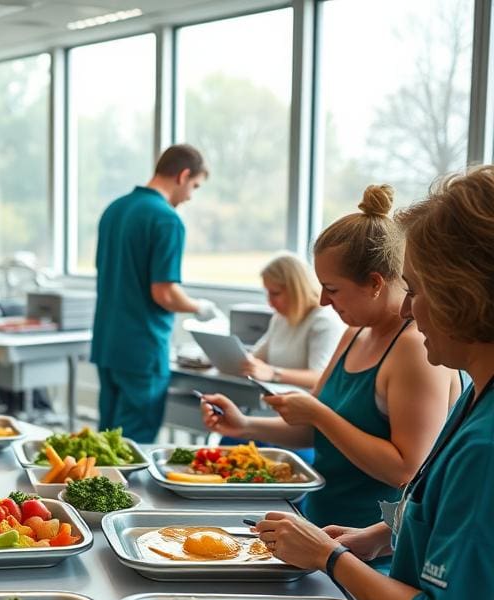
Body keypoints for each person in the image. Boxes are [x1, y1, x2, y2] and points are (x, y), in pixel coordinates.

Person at [254, 166, 494, 600]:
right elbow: (437, 503)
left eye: (419, 289)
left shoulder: (486, 446)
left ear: (467, 295)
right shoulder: (474, 396)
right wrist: (381, 534)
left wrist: (329, 558)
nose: (410, 307)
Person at [201, 185, 461, 553]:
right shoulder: (355, 333)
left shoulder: (414, 349)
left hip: (369, 548)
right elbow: (315, 430)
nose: (323, 300)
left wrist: (321, 415)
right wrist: (245, 425)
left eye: (332, 289)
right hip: (321, 529)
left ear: (374, 283)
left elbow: (405, 468)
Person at [91, 143, 218, 444]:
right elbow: (165, 293)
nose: (189, 197)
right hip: (142, 348)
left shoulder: (114, 209)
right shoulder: (166, 219)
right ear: (183, 175)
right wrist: (200, 307)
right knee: (132, 446)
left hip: (108, 343)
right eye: (194, 187)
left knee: (104, 442)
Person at [241, 252, 344, 390]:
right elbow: (256, 356)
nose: (270, 302)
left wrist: (273, 373)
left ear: (296, 289)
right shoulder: (280, 318)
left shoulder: (323, 321)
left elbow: (320, 376)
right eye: (268, 293)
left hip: (304, 403)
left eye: (275, 293)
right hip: (276, 397)